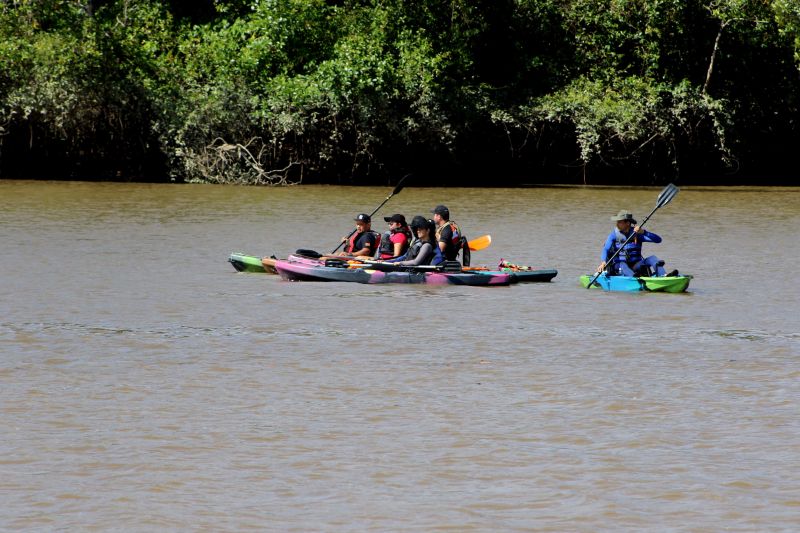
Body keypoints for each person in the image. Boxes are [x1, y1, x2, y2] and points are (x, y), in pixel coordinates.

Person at [597, 210, 672, 277]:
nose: (617, 224)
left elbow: (658, 240)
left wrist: (644, 232)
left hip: (635, 265)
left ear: (627, 223)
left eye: (619, 222)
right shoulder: (614, 235)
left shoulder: (637, 234)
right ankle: (634, 278)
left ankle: (663, 276)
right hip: (619, 266)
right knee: (623, 265)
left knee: (652, 258)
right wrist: (603, 262)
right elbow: (606, 249)